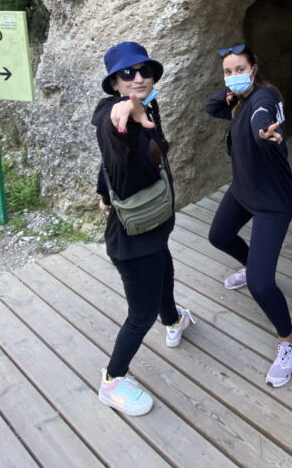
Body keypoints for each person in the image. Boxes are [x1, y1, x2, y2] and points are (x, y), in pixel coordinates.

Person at [92, 41, 195, 416]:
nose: (138, 78)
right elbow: (115, 135)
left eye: (144, 71)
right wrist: (127, 114)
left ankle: (173, 319)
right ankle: (113, 378)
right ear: (114, 84)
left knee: (165, 271)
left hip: (154, 227)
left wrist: (104, 192)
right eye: (127, 74)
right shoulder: (115, 114)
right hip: (133, 242)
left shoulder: (149, 107)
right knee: (140, 313)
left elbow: (109, 164)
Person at [205, 43, 292, 387]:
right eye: (228, 72)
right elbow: (210, 106)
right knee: (218, 236)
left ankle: (288, 342)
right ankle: (250, 266)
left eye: (239, 70)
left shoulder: (264, 98)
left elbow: (265, 121)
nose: (234, 77)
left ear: (254, 69)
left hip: (274, 200)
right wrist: (229, 95)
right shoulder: (238, 100)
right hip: (243, 190)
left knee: (262, 284)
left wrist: (265, 134)